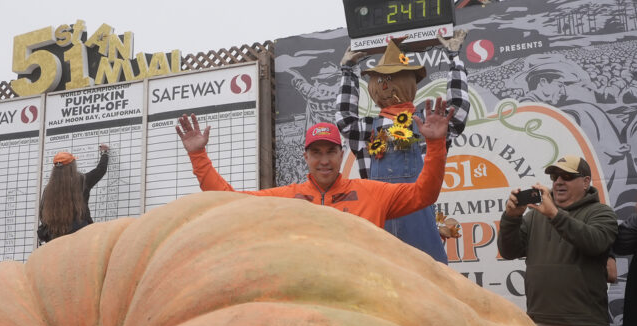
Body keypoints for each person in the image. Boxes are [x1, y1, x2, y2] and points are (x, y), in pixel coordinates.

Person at [175, 97, 455, 227]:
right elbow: (229, 201)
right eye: (316, 153)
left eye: (330, 152)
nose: (324, 161)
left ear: (341, 155)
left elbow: (424, 194)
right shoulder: (286, 198)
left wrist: (435, 144)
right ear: (305, 156)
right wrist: (198, 156)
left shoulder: (374, 193)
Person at [336, 34, 470, 263]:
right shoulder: (367, 129)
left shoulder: (427, 122)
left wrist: (454, 58)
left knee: (429, 287)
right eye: (380, 81)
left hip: (420, 223)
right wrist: (347, 72)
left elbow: (457, 112)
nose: (384, 87)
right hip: (379, 226)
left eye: (390, 80)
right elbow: (344, 117)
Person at [497, 155, 618, 326]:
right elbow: (508, 251)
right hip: (541, 325)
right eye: (555, 177)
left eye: (567, 176)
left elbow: (595, 242)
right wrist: (511, 217)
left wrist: (554, 214)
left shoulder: (601, 213)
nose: (559, 182)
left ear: (586, 182)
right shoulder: (534, 216)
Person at [38, 144, 109, 243]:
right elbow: (100, 170)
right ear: (72, 167)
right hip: (80, 236)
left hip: (54, 238)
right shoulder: (82, 181)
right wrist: (104, 153)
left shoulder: (48, 189)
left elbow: (42, 215)